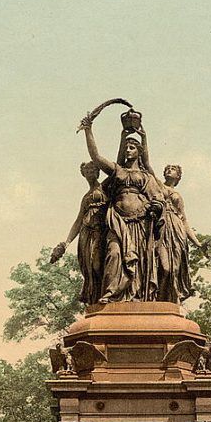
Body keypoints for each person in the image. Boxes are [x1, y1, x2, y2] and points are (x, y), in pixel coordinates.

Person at [80, 113, 166, 303]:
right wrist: (88, 130)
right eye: (126, 146)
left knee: (140, 261)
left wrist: (156, 207)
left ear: (139, 151)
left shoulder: (146, 177)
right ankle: (112, 292)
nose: (128, 149)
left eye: (132, 147)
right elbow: (95, 156)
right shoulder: (117, 171)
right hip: (118, 222)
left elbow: (158, 198)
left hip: (139, 223)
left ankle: (135, 295)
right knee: (114, 253)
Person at [49, 161, 107, 305]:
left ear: (98, 172)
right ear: (83, 175)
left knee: (97, 264)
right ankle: (95, 300)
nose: (90, 173)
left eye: (93, 169)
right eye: (87, 171)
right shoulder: (86, 197)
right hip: (86, 234)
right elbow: (78, 221)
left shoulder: (105, 188)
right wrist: (66, 243)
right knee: (89, 269)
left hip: (100, 232)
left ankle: (105, 295)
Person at [157, 164, 197, 303]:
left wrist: (197, 244)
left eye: (173, 169)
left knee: (174, 269)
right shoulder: (156, 185)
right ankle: (159, 301)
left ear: (178, 176)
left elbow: (184, 220)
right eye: (167, 169)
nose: (169, 170)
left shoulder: (178, 196)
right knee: (165, 268)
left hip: (177, 231)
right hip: (161, 230)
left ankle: (169, 303)